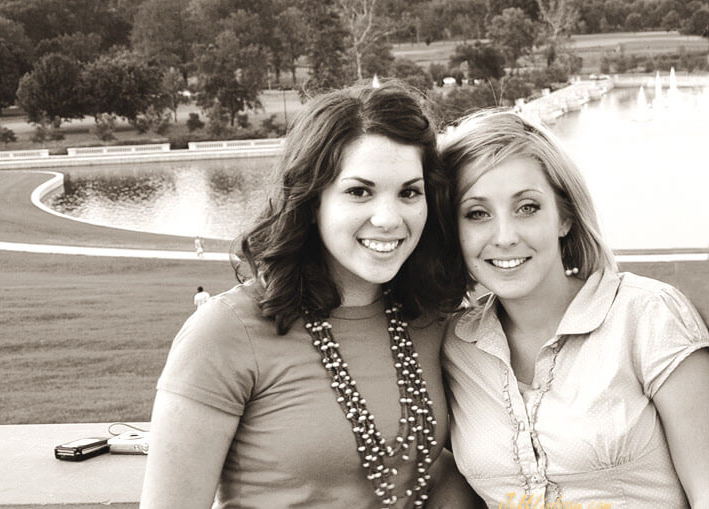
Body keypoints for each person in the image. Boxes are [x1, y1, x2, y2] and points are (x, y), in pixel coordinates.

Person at [140, 80, 471, 509]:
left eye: (409, 192)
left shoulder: (431, 319)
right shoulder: (224, 332)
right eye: (359, 192)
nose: (389, 218)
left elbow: (426, 470)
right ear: (313, 199)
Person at [437, 109, 709, 508]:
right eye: (477, 214)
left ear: (563, 216)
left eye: (527, 207)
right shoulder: (454, 346)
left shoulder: (647, 315)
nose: (505, 236)